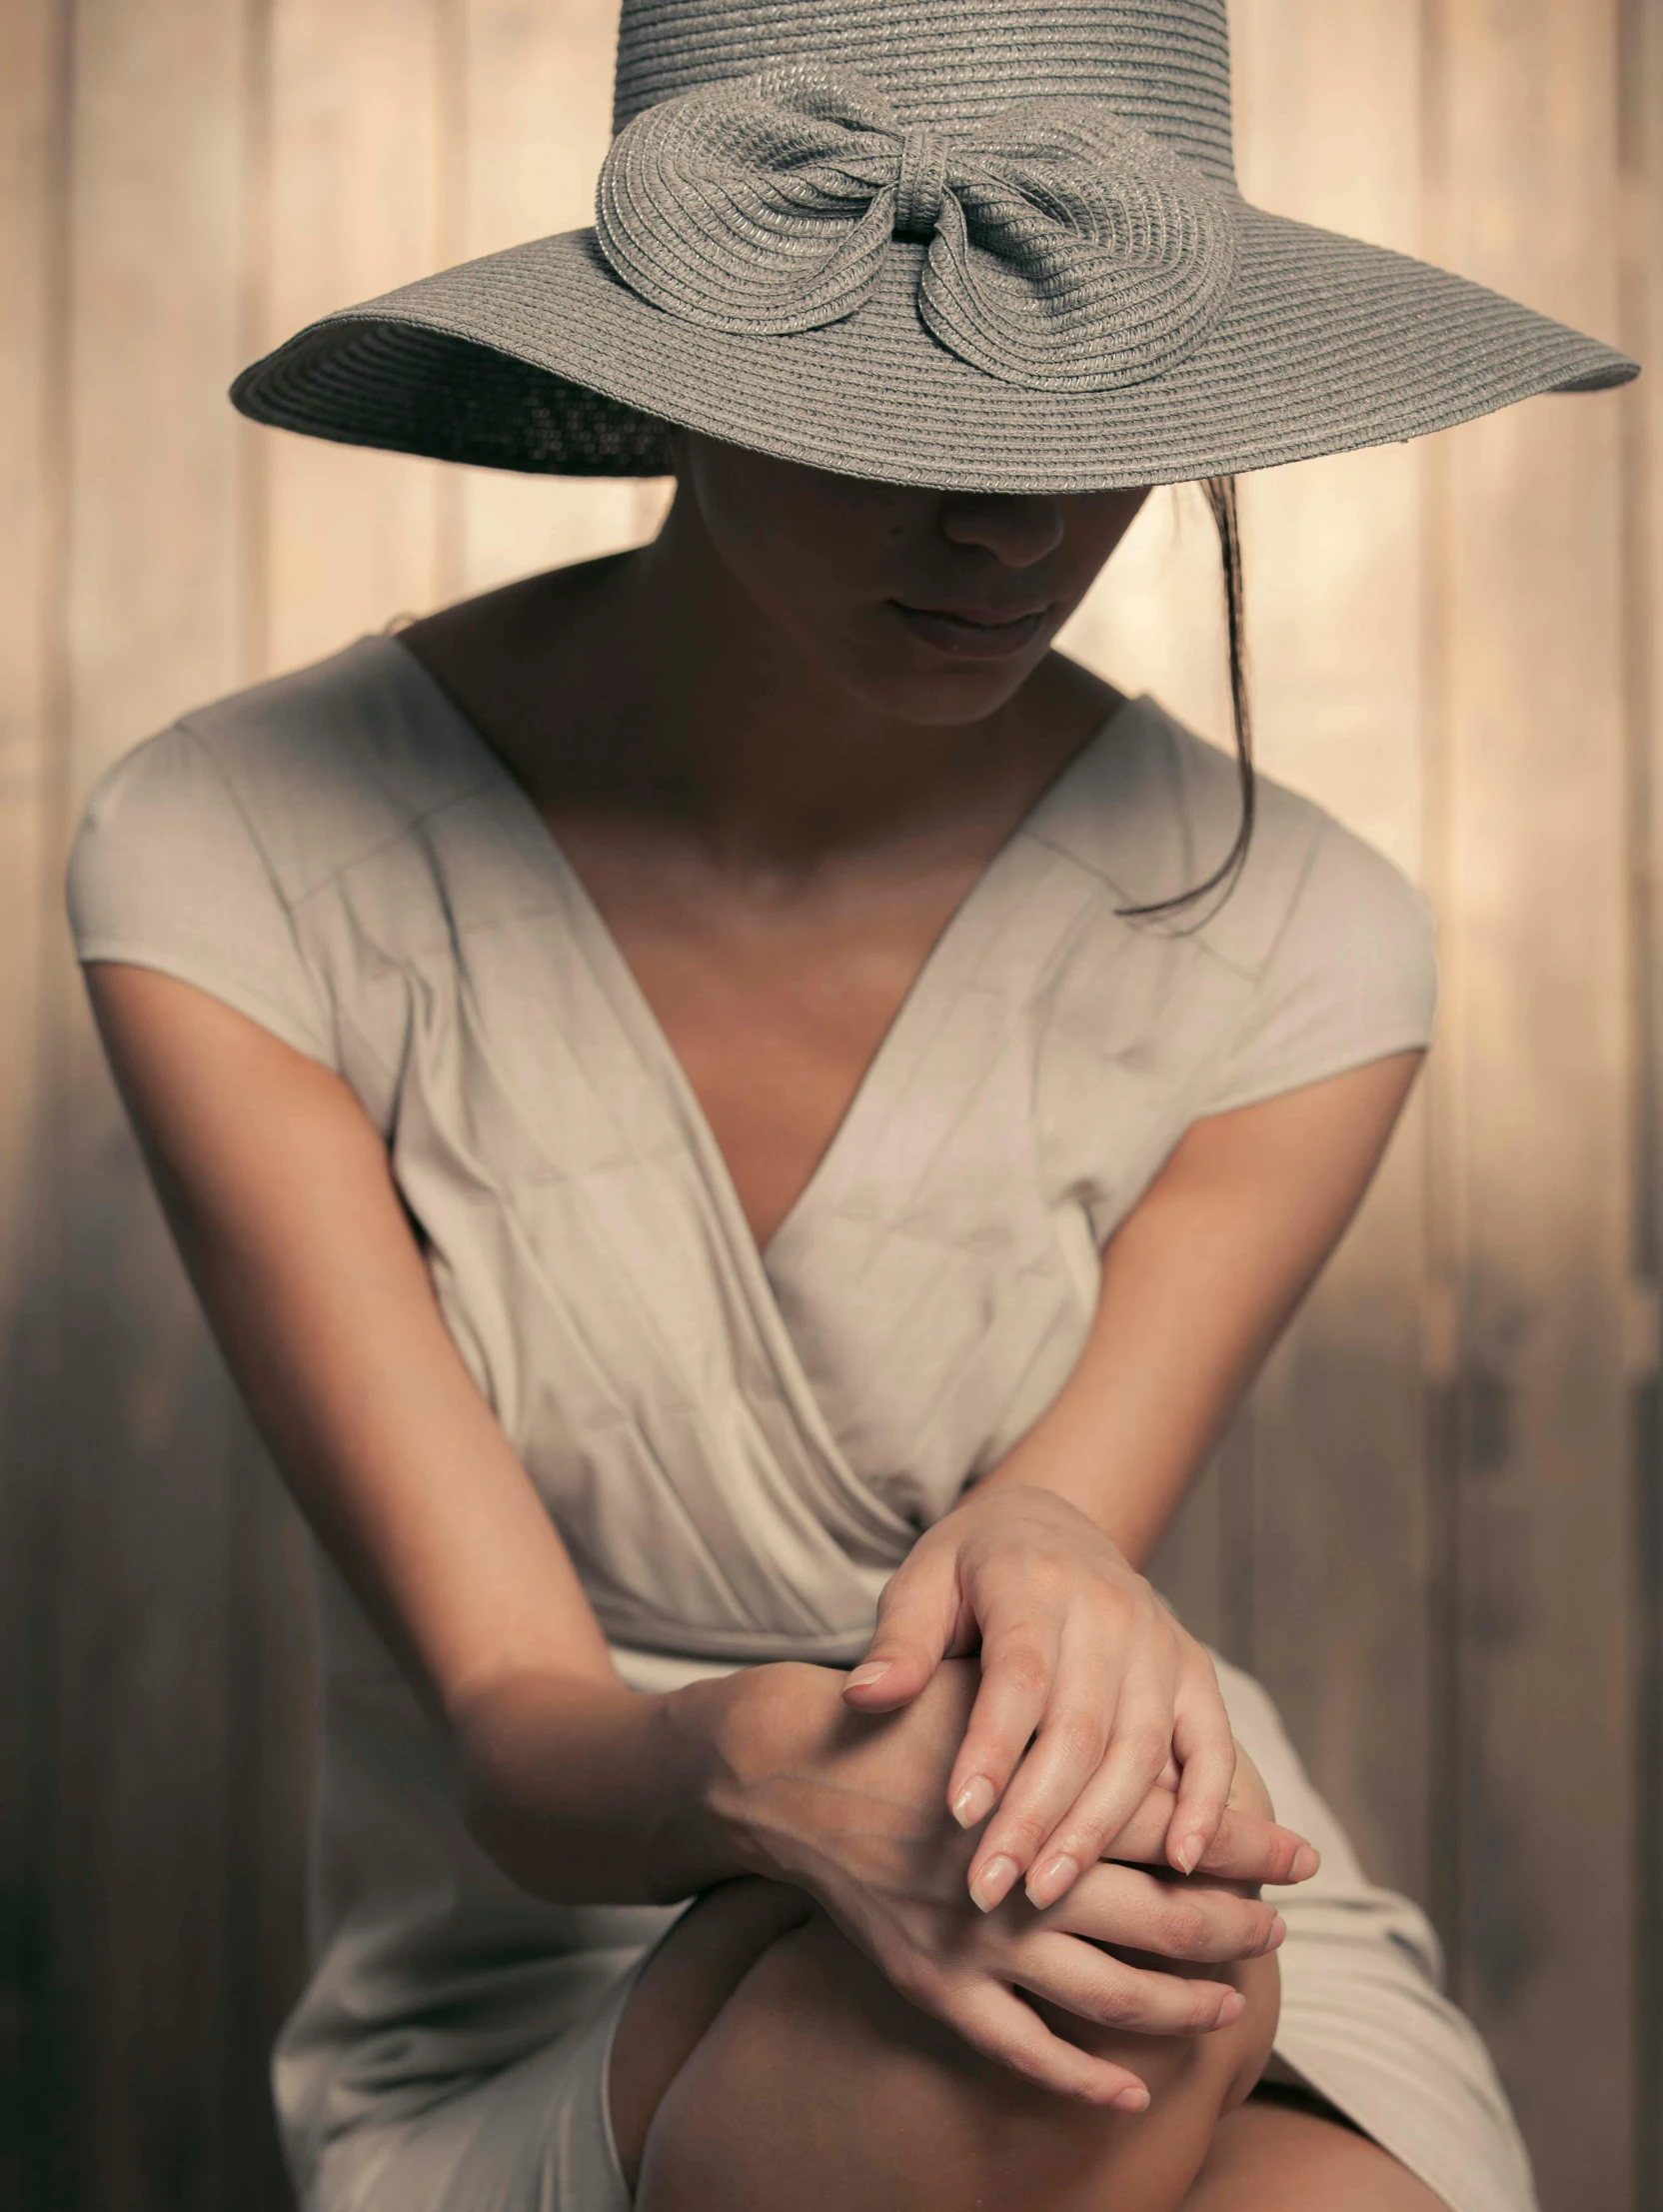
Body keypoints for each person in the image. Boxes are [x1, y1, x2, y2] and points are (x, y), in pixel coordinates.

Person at [66, 3, 1635, 2208]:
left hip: (1085, 1869)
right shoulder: (235, 856)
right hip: (557, 1934)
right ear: (682, 387)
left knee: (1234, 2098)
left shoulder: (1307, 936)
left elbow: (1056, 1543)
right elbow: (515, 1735)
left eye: (1094, 414)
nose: (1009, 524)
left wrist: (1059, 1559)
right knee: (1007, 2045)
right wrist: (749, 1774)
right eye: (883, 421)